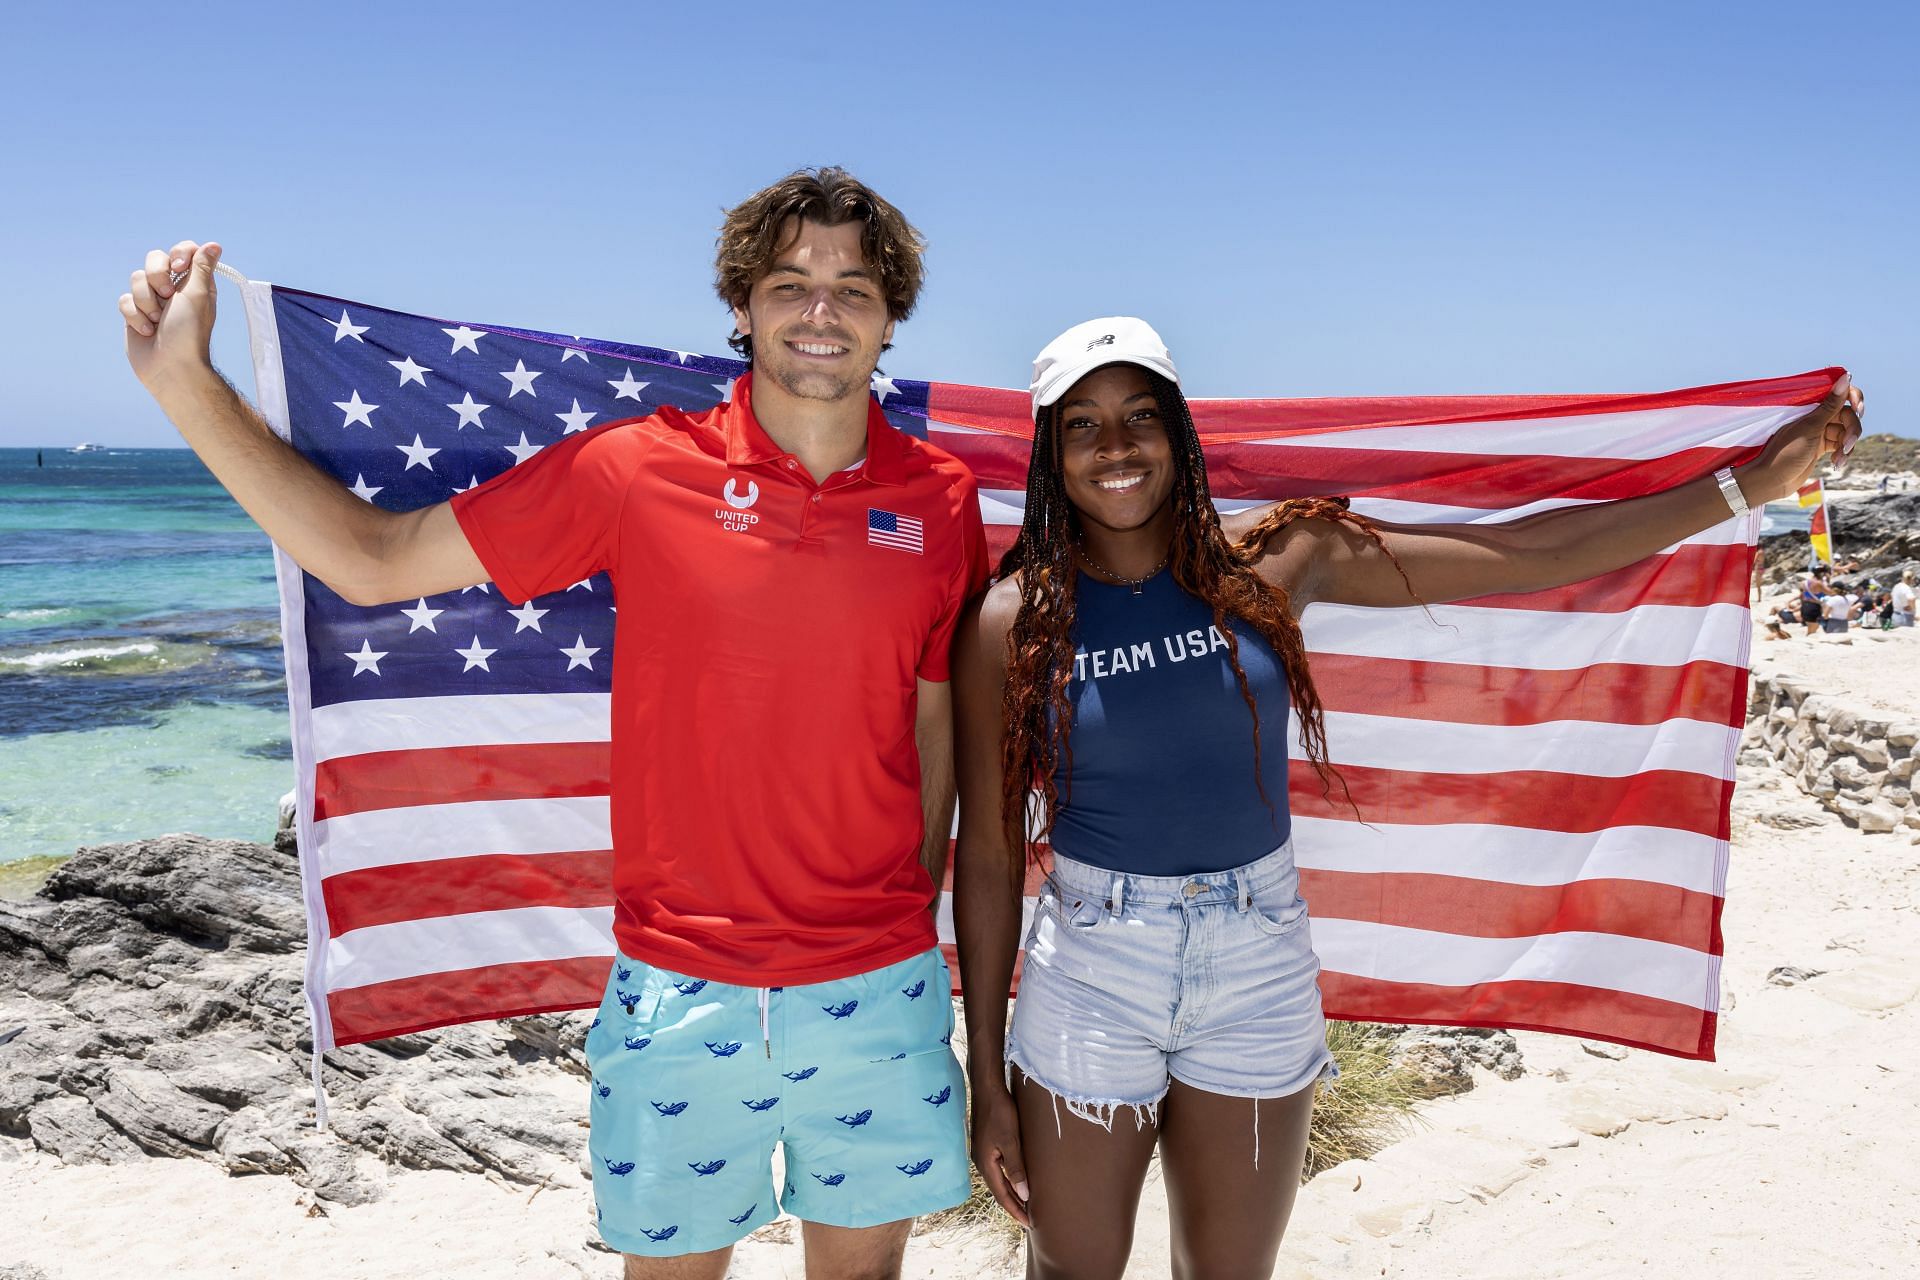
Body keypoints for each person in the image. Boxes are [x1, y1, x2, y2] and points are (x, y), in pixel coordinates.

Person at [119, 168, 988, 1279]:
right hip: (683, 985)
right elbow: (371, 558)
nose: (821, 311)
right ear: (742, 305)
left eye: (853, 287)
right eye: (790, 283)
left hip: (877, 982)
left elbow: (932, 724)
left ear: (890, 313)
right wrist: (185, 385)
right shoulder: (637, 469)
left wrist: (903, 910)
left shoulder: (942, 497)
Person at [950, 318, 1862, 1280]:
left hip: (1255, 968)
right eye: (1082, 425)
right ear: (1051, 454)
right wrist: (988, 1077)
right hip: (1092, 969)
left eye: (1140, 415)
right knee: (1069, 1268)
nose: (1116, 446)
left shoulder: (1276, 559)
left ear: (1179, 431)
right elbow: (991, 855)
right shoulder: (1016, 622)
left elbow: (1530, 552)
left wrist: (1745, 486)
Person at [1801, 567, 1831, 635]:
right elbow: (1830, 592)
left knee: (1810, 629)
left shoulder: (1804, 582)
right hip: (1813, 607)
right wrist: (1828, 579)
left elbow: (1802, 595)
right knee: (1814, 628)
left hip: (1805, 605)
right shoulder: (1818, 583)